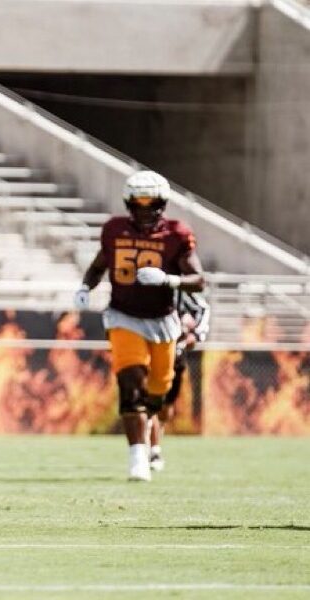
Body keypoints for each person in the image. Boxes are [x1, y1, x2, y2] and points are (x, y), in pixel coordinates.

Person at [74, 170, 205, 482]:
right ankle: (138, 458)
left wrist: (169, 279)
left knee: (157, 392)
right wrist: (85, 287)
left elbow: (199, 280)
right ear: (128, 204)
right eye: (139, 204)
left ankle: (151, 437)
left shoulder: (175, 234)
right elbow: (98, 267)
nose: (145, 211)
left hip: (162, 320)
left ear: (162, 204)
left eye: (152, 204)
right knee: (131, 384)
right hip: (123, 316)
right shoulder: (114, 230)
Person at [148, 290, 210, 471]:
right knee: (151, 401)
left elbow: (203, 309)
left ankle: (154, 438)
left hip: (175, 355)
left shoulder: (180, 291)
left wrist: (196, 334)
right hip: (150, 349)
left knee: (165, 410)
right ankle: (153, 450)